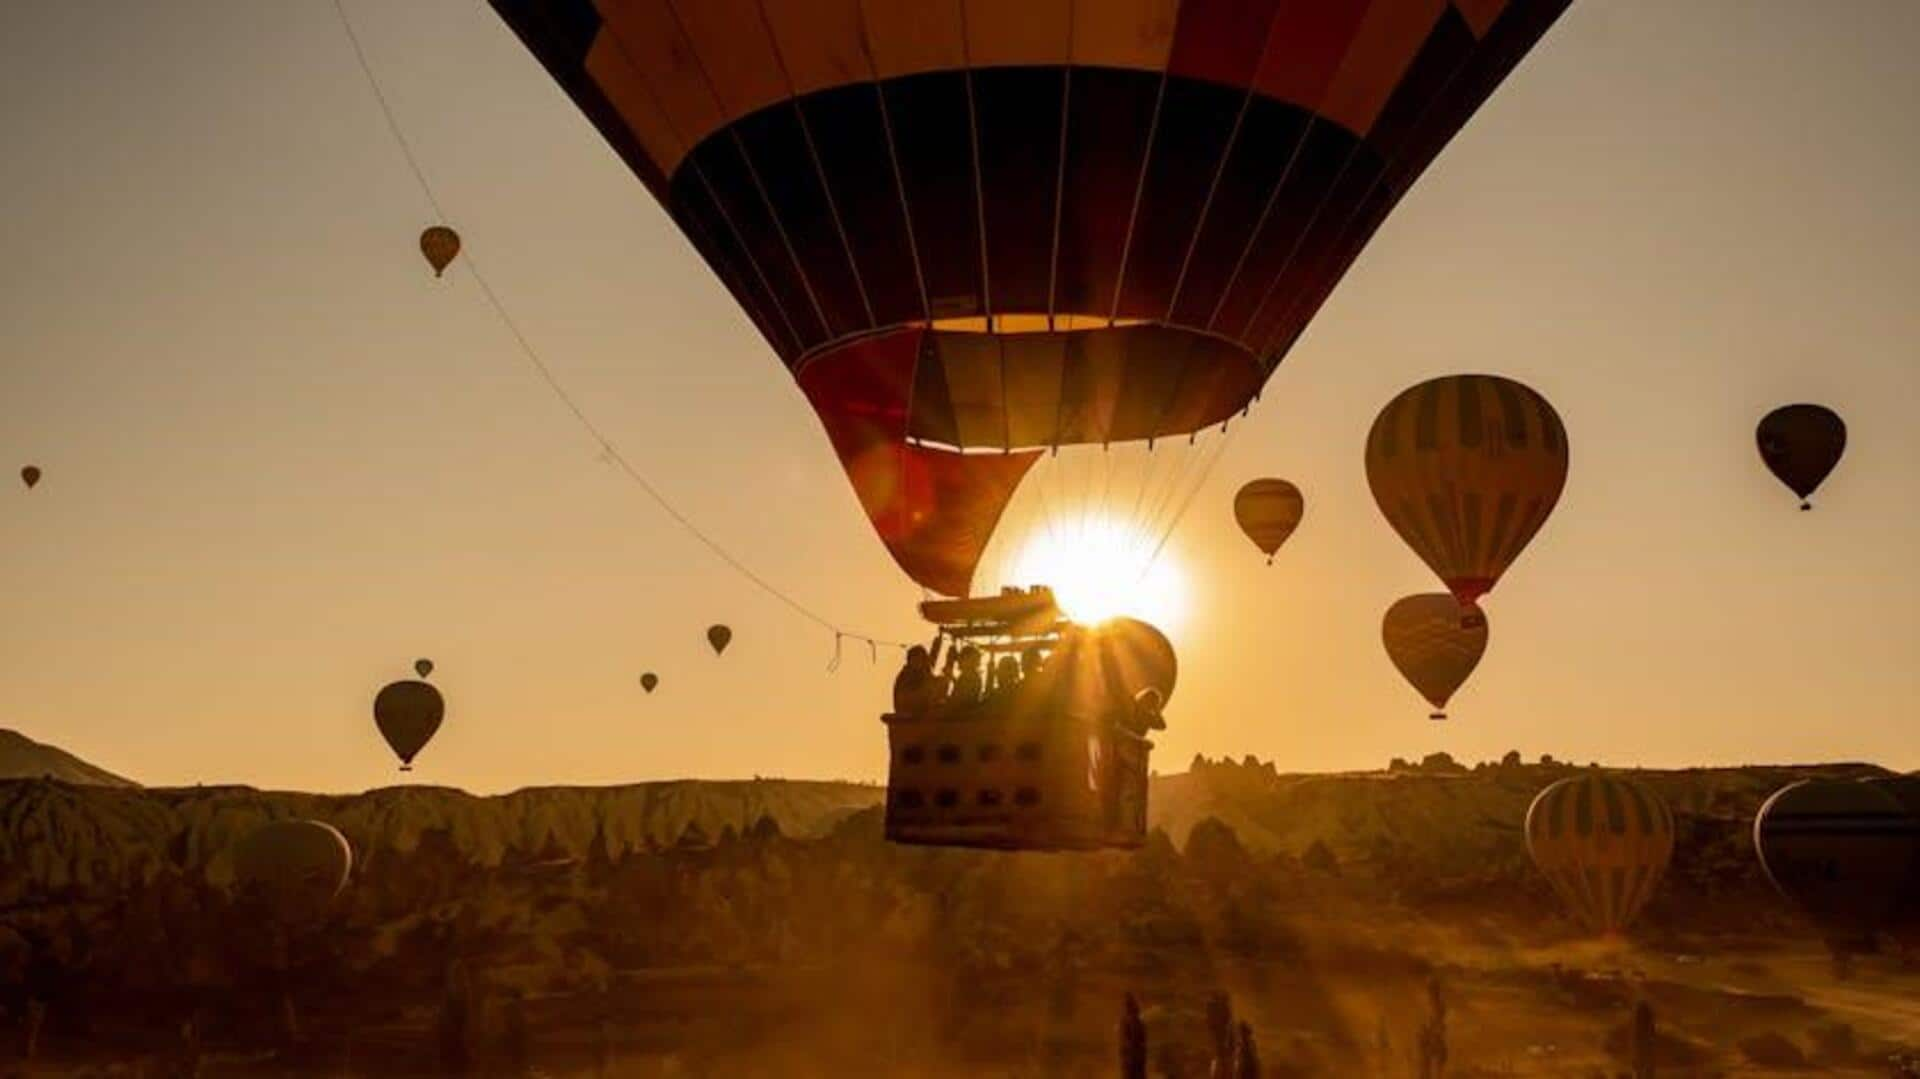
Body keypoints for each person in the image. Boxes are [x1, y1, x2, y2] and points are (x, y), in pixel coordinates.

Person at [892, 637, 944, 716]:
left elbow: (932, 659)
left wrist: (938, 642)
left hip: (918, 710)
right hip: (909, 712)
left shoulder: (922, 670)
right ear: (910, 660)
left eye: (920, 659)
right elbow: (912, 696)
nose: (918, 662)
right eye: (915, 659)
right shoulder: (907, 675)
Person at [948, 646, 984, 710]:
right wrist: (952, 678)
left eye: (962, 658)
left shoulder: (971, 675)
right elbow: (961, 688)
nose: (959, 660)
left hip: (963, 712)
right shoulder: (968, 675)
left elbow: (963, 697)